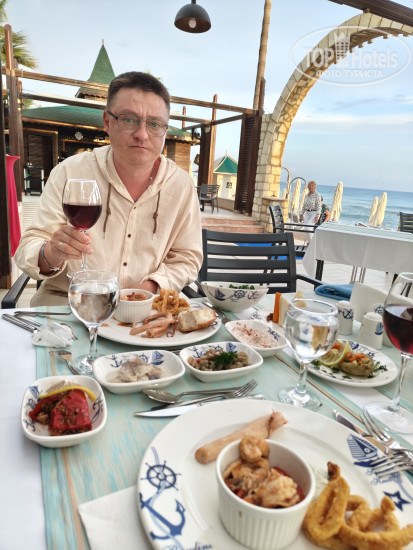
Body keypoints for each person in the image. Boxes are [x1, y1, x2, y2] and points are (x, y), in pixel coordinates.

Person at [15, 71, 203, 306]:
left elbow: (187, 258)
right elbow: (28, 249)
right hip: (67, 304)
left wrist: (147, 290)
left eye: (155, 124)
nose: (142, 135)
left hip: (144, 308)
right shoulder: (69, 172)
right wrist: (51, 254)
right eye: (128, 120)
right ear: (107, 121)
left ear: (164, 130)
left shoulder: (181, 185)